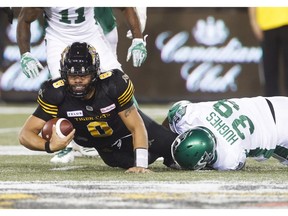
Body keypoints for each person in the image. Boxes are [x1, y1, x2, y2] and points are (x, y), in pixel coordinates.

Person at [18, 42, 178, 173]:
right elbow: (25, 134)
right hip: (107, 148)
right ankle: (158, 152)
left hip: (130, 130)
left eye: (84, 75)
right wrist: (49, 146)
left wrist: (141, 165)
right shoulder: (55, 94)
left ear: (95, 73)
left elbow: (136, 126)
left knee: (179, 150)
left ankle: (177, 124)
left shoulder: (112, 85)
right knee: (128, 161)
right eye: (73, 76)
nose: (78, 81)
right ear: (64, 74)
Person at [17, 7, 147, 163]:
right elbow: (24, 18)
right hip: (58, 39)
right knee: (61, 90)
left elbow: (125, 6)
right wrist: (25, 54)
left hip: (91, 35)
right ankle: (64, 143)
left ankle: (141, 136)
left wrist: (138, 39)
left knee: (119, 83)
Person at [162, 98, 288, 171]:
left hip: (280, 130)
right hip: (273, 102)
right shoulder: (189, 115)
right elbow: (172, 115)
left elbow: (238, 164)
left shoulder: (228, 157)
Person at [248, 7, 288, 96]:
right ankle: (271, 103)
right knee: (269, 68)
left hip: (286, 22)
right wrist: (253, 21)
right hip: (266, 24)